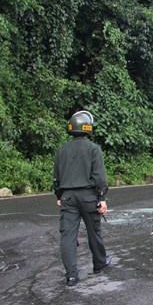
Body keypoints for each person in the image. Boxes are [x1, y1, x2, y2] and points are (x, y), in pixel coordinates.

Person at [53, 110, 110, 287]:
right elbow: (99, 177)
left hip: (68, 197)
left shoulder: (62, 150)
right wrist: (102, 197)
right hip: (88, 196)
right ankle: (99, 264)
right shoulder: (94, 149)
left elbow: (57, 177)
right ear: (88, 128)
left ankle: (71, 276)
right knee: (94, 231)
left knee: (67, 236)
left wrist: (59, 195)